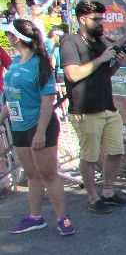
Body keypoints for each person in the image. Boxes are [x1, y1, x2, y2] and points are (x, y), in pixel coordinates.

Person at [0, 19, 75, 235]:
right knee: (32, 174)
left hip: (40, 126)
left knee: (48, 174)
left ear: (17, 38)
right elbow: (11, 98)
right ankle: (35, 217)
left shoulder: (40, 64)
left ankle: (62, 218)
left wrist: (41, 131)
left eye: (9, 34)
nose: (7, 38)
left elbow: (48, 100)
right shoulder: (14, 63)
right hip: (19, 126)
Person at [60, 0, 126, 213]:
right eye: (96, 19)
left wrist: (116, 62)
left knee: (116, 151)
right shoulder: (70, 42)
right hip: (85, 109)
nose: (101, 23)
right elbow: (72, 74)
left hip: (108, 107)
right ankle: (93, 197)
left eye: (102, 18)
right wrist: (102, 59)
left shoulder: (101, 42)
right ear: (82, 19)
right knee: (89, 156)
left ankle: (108, 191)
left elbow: (104, 74)